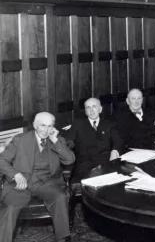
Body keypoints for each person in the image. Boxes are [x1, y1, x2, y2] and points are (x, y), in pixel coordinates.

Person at [0, 112, 75, 242]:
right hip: (20, 184)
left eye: (50, 126)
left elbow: (70, 160)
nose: (46, 130)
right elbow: (2, 160)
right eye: (43, 125)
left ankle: (63, 238)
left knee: (60, 197)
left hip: (46, 183)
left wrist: (55, 140)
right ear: (35, 125)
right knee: (11, 208)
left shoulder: (57, 141)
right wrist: (15, 174)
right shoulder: (20, 139)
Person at [64, 98, 123, 182]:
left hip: (106, 162)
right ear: (85, 111)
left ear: (100, 109)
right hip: (85, 164)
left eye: (94, 106)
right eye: (88, 107)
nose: (91, 110)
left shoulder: (109, 124)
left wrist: (115, 151)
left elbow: (118, 141)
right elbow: (69, 141)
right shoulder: (78, 124)